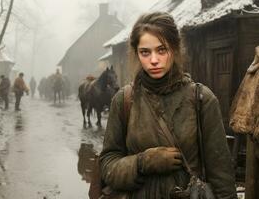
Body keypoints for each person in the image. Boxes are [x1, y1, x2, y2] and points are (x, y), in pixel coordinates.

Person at [99, 12, 236, 199]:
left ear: (175, 49)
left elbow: (222, 177)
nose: (153, 60)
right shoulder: (124, 100)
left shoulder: (202, 99)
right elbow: (107, 166)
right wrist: (142, 163)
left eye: (161, 50)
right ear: (137, 53)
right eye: (145, 52)